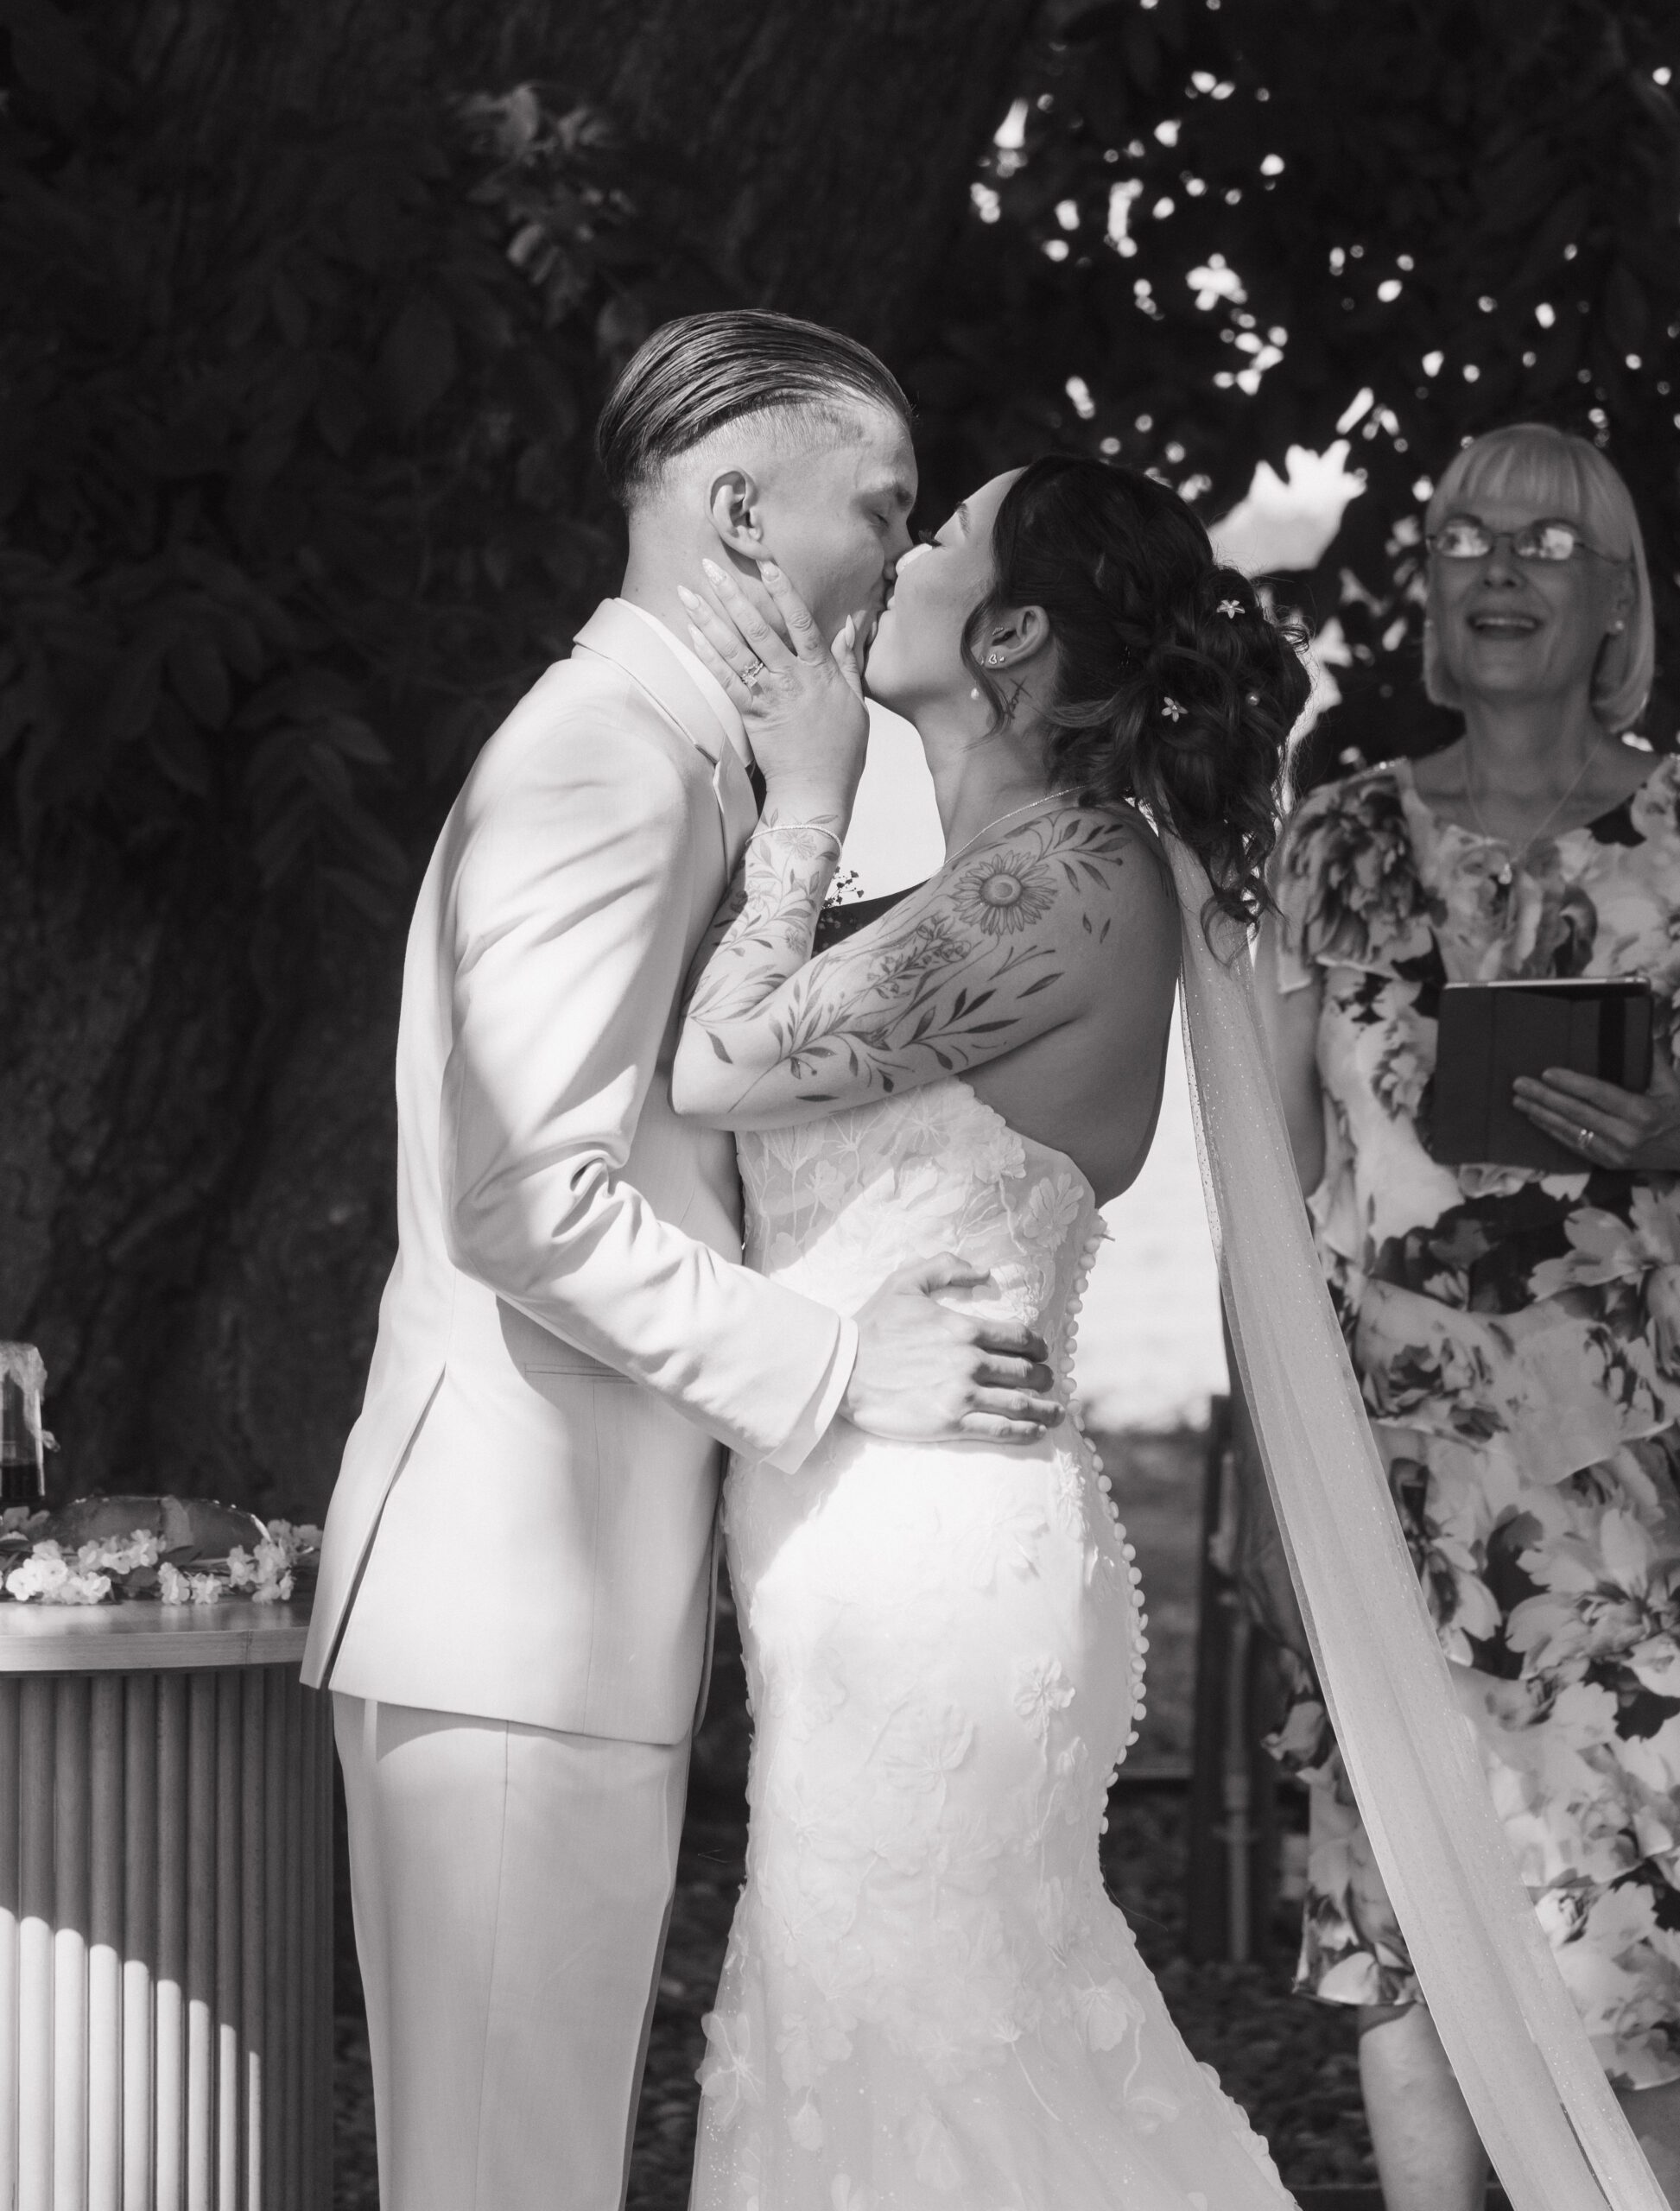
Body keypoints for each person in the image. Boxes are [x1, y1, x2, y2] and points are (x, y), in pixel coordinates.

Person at [300, 312, 1068, 2211]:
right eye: (880, 513)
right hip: (506, 1616)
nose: (902, 565)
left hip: (561, 1622)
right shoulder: (602, 770)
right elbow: (524, 1197)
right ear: (738, 507)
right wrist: (831, 1362)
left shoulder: (673, 762)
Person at [669, 454, 1314, 2208]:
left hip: (937, 1555)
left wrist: (802, 796)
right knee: (867, 2056)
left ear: (1013, 629)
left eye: (942, 534)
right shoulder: (955, 892)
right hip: (848, 1533)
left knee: (926, 2060)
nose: (903, 546)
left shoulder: (1080, 881)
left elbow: (718, 1064)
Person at [1255, 421, 1680, 2211]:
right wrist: (1271, 1495)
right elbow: (1264, 1213)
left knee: (1642, 1949)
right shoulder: (1332, 839)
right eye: (1463, 535)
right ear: (1424, 588)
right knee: (1409, 1920)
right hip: (1390, 1486)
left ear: (1613, 601)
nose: (1501, 564)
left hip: (1639, 1498)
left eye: (1551, 541)